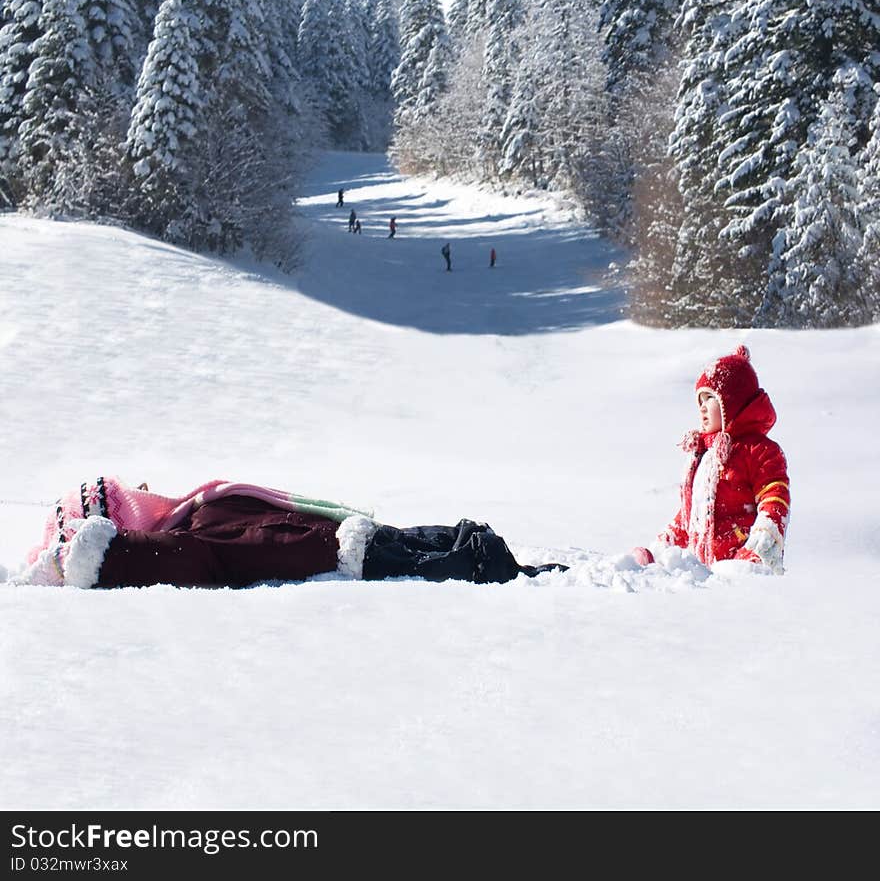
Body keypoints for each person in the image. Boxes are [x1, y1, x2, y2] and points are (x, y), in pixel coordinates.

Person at [9, 476, 567, 590]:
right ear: (126, 516)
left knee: (455, 544)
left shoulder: (198, 506)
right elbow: (174, 564)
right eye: (135, 494)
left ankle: (530, 575)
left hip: (345, 538)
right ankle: (528, 577)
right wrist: (84, 558)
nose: (148, 489)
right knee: (463, 560)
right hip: (343, 554)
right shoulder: (186, 536)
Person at [630, 345, 790, 574]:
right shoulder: (705, 456)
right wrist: (660, 549)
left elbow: (774, 495)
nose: (702, 407)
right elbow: (690, 518)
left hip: (740, 567)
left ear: (732, 402)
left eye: (710, 398)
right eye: (700, 400)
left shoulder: (760, 450)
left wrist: (764, 536)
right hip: (704, 572)